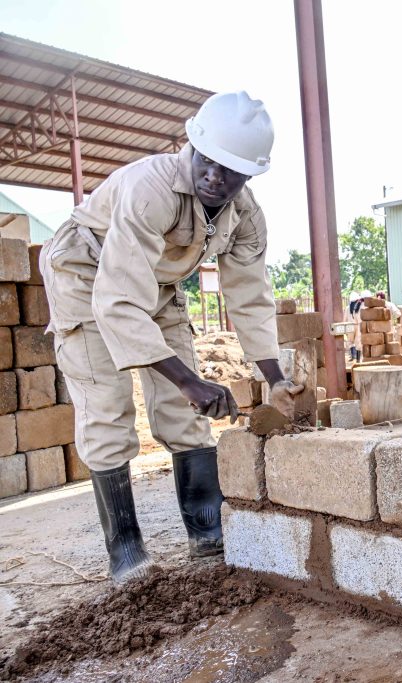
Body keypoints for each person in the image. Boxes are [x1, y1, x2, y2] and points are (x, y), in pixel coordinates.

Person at [40, 92, 302, 584]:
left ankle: (206, 535)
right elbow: (116, 299)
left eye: (230, 170)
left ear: (250, 174)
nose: (214, 177)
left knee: (186, 413)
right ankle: (127, 553)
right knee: (109, 406)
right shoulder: (150, 187)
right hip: (86, 269)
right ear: (193, 146)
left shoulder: (245, 216)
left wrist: (274, 378)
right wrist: (190, 381)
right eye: (208, 162)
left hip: (157, 282)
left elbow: (248, 294)